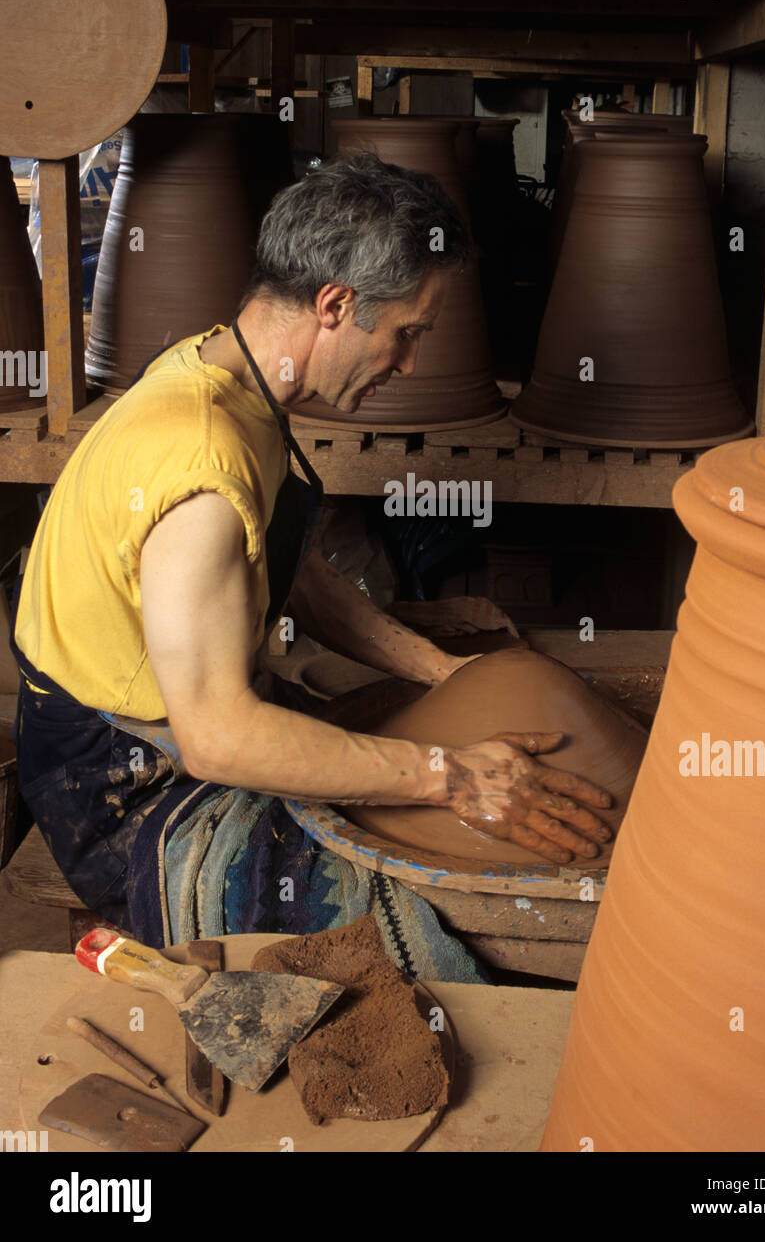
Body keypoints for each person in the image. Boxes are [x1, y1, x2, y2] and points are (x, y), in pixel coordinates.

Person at [11, 151, 613, 951]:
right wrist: (454, 776)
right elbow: (220, 739)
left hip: (180, 722)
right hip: (122, 782)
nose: (409, 363)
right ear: (334, 303)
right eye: (406, 334)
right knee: (407, 931)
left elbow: (288, 570)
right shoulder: (199, 466)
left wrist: (442, 669)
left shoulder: (226, 369)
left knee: (399, 752)